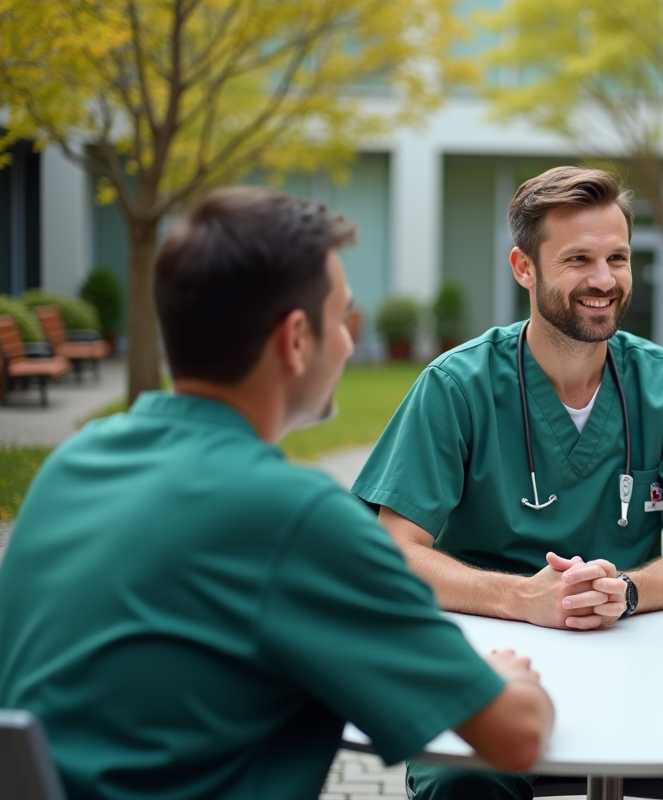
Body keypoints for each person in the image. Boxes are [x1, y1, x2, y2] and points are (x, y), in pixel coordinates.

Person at [0, 187, 553, 800]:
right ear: (295, 340)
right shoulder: (299, 517)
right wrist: (508, 678)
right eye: (343, 319)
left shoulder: (73, 463)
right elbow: (516, 736)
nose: (349, 342)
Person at [354, 166, 663, 799]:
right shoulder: (455, 388)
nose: (604, 280)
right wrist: (523, 599)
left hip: (633, 658)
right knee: (460, 787)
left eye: (617, 258)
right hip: (495, 668)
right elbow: (394, 555)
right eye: (578, 259)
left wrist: (621, 591)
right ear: (524, 267)